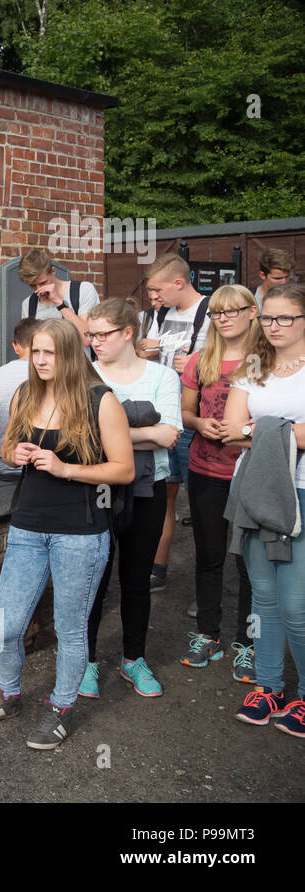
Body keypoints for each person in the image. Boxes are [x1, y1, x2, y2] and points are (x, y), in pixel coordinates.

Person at [0, 319, 133, 749]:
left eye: (50, 353)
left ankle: (59, 707)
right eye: (35, 352)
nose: (40, 361)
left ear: (71, 355)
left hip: (81, 530)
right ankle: (8, 693)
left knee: (69, 628)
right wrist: (12, 450)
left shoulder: (101, 400)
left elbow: (124, 469)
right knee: (6, 623)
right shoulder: (25, 393)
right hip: (27, 524)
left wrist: (66, 468)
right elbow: (3, 448)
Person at [80, 298, 182, 699]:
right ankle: (85, 661)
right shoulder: (84, 373)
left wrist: (107, 430)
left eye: (103, 334)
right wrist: (143, 430)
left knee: (136, 579)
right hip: (95, 486)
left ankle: (132, 658)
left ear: (127, 333)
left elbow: (170, 435)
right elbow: (76, 431)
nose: (95, 342)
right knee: (93, 579)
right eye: (90, 335)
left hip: (147, 487)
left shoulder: (161, 376)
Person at [222, 283, 305, 737]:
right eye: (268, 318)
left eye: (285, 318)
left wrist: (261, 429)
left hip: (300, 493)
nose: (274, 327)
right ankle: (269, 686)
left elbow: (247, 430)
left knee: (297, 604)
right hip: (252, 489)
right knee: (265, 599)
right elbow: (232, 430)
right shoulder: (254, 365)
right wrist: (283, 430)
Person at [179, 285, 267, 680]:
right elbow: (184, 411)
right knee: (209, 555)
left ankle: (247, 643)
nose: (224, 317)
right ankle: (207, 634)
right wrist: (201, 423)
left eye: (233, 310)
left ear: (252, 312)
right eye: (217, 312)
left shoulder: (270, 361)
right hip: (206, 469)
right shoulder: (201, 360)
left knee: (251, 562)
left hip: (252, 472)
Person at [143, 254, 210, 591]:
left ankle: (207, 583)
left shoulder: (212, 313)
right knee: (165, 495)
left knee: (202, 506)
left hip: (196, 421)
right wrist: (148, 352)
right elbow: (150, 351)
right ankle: (158, 567)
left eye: (158, 289)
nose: (154, 296)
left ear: (178, 283)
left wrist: (197, 364)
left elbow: (230, 364)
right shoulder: (162, 313)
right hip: (165, 416)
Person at [0, 318, 40, 481]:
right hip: (42, 469)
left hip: (6, 468)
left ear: (15, 346)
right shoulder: (49, 374)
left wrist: (0, 425)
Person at [18, 248, 99, 347]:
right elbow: (28, 347)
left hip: (77, 362)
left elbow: (87, 339)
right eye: (32, 285)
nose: (39, 290)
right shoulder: (29, 304)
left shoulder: (82, 290)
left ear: (53, 271)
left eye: (43, 283)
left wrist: (59, 303)